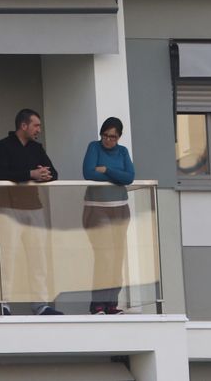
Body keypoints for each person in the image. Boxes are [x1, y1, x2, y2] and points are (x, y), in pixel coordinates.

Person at [0, 108, 61, 315]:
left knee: (38, 257)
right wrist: (31, 173)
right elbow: (3, 173)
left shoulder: (36, 148)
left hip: (34, 207)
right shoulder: (2, 146)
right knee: (7, 257)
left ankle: (40, 305)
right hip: (8, 208)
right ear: (23, 125)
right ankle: (3, 304)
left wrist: (43, 175)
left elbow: (54, 173)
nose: (39, 129)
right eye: (36, 125)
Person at [81, 116, 134, 315]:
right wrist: (116, 175)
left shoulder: (123, 151)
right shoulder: (94, 147)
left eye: (113, 137)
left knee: (118, 256)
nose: (108, 140)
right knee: (104, 256)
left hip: (120, 208)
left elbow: (129, 177)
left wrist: (107, 169)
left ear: (119, 137)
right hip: (97, 208)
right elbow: (88, 173)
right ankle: (98, 304)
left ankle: (112, 303)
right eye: (105, 135)